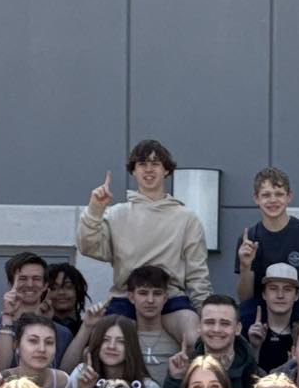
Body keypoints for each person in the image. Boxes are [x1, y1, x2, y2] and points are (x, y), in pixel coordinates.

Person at [76, 139, 209, 350]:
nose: (149, 169)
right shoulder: (116, 214)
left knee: (197, 341)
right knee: (102, 346)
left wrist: (205, 313)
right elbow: (88, 247)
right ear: (133, 171)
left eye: (155, 164)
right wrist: (95, 210)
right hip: (125, 297)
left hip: (171, 298)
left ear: (166, 170)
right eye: (142, 164)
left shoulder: (187, 218)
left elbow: (197, 274)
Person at [234, 166, 299, 323]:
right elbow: (245, 297)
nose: (273, 200)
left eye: (279, 194)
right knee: (239, 322)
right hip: (261, 306)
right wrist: (245, 266)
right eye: (266, 195)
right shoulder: (249, 238)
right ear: (256, 198)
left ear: (289, 197)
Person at [158, 294, 258, 388]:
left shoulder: (251, 370)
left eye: (225, 323)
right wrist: (175, 379)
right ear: (199, 326)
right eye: (210, 322)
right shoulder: (184, 367)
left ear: (238, 328)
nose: (216, 329)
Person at [0, 253, 50, 373]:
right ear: (10, 284)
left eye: (36, 279)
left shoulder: (62, 332)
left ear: (45, 286)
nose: (29, 284)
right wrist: (7, 316)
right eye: (22, 279)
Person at [246, 264, 299, 373]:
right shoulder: (247, 328)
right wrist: (254, 347)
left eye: (287, 289)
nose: (280, 295)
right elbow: (246, 380)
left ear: (297, 295)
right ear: (264, 294)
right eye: (273, 288)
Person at [45, 261, 89, 347]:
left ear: (78, 291)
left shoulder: (90, 329)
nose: (61, 292)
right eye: (54, 288)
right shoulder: (36, 328)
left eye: (68, 287)